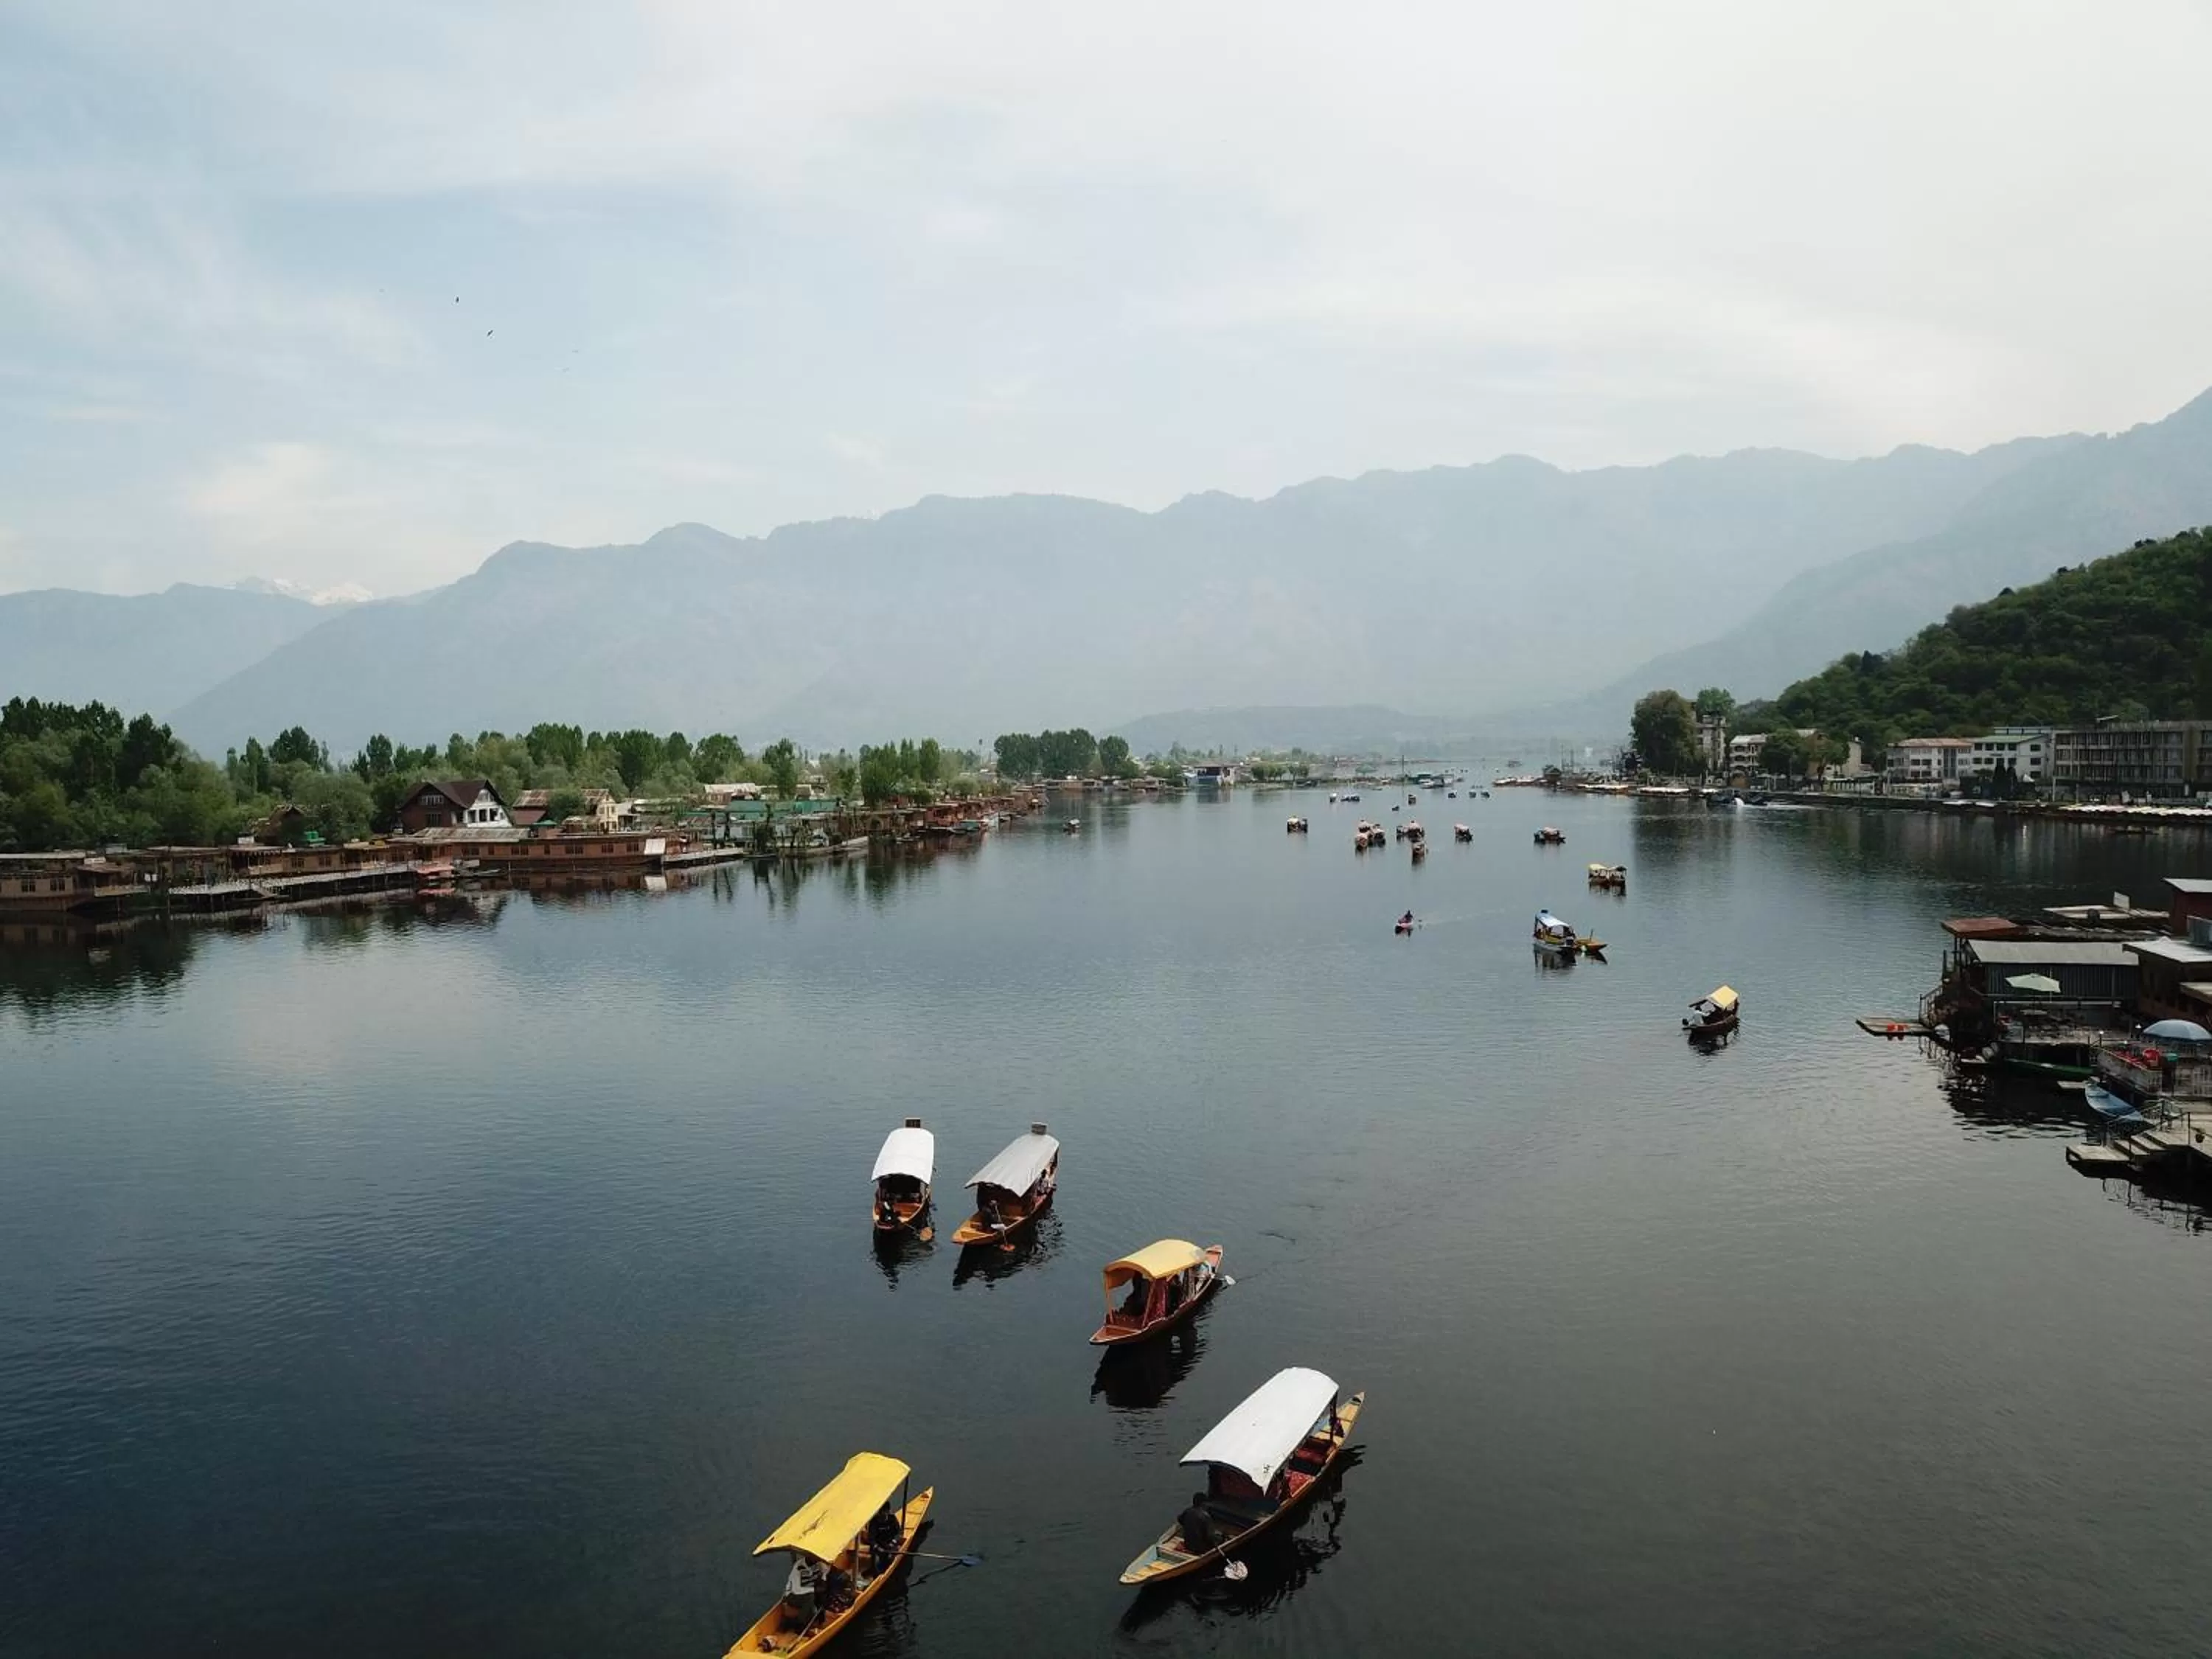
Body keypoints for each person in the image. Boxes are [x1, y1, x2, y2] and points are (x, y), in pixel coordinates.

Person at [1177, 1490, 1217, 1555]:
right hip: (1200, 1549)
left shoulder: (1187, 1511)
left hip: (1188, 1545)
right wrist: (1215, 1544)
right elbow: (1210, 1537)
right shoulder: (1206, 1517)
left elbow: (1179, 1519)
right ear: (1203, 1504)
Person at [866, 1503, 902, 1571]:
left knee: (890, 1558)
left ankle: (887, 1568)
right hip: (878, 1545)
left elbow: (899, 1533)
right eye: (881, 1513)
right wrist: (877, 1547)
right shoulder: (874, 1521)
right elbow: (871, 1538)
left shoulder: (892, 1518)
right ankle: (876, 1573)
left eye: (885, 1512)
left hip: (890, 1543)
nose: (883, 1515)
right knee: (876, 1561)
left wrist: (893, 1543)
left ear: (888, 1511)